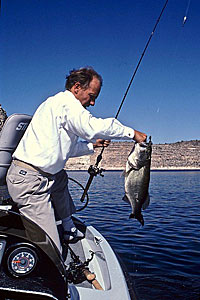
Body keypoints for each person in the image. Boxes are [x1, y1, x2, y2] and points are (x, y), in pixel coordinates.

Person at [6, 67, 147, 253]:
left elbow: (67, 148)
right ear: (77, 87)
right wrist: (131, 133)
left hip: (44, 175)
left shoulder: (62, 108)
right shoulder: (65, 104)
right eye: (91, 95)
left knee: (60, 178)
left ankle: (67, 226)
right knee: (50, 248)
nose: (93, 102)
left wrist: (92, 146)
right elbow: (91, 127)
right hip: (29, 181)